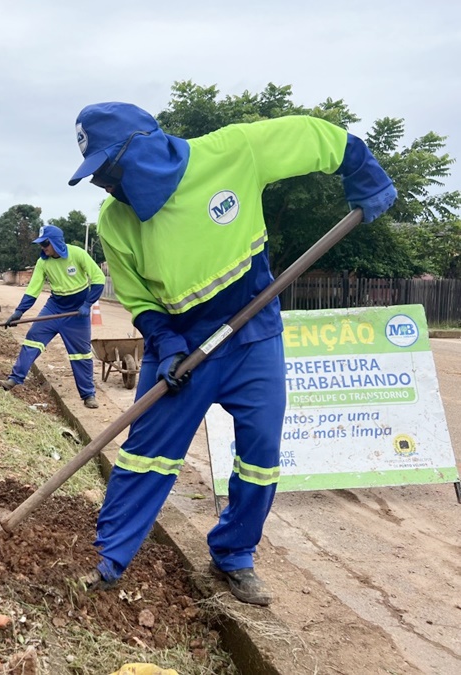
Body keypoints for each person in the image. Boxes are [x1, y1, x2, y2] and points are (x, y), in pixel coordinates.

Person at [68, 102, 396, 604]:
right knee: (144, 456)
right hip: (179, 345)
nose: (103, 185)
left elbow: (315, 137)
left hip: (252, 332)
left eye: (108, 170)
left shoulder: (232, 151)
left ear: (143, 152)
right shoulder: (115, 221)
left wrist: (363, 170)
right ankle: (109, 561)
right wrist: (169, 344)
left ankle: (234, 555)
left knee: (260, 456)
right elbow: (135, 296)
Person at [1, 225, 106, 409]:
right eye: (41, 245)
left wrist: (87, 305)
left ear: (56, 241)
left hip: (77, 312)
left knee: (81, 354)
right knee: (33, 339)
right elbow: (33, 290)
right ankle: (14, 379)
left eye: (46, 243)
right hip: (55, 308)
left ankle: (88, 395)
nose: (43, 248)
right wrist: (19, 312)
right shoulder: (43, 262)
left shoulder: (77, 254)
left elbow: (98, 279)